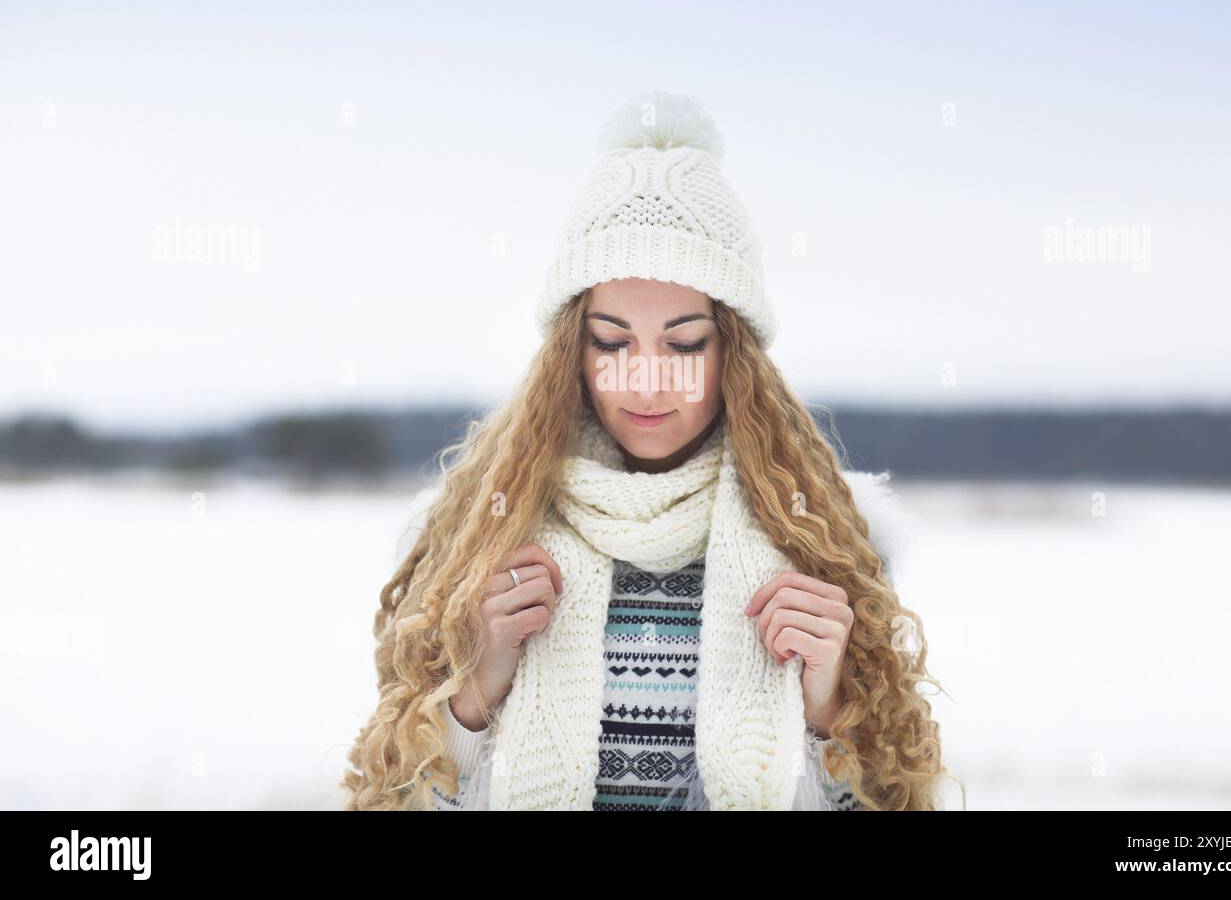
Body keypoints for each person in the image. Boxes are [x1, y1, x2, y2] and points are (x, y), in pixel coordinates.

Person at [342, 91, 962, 811]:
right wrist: (471, 698)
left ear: (735, 349)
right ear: (570, 350)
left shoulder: (820, 537)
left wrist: (830, 716)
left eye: (684, 342)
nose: (645, 377)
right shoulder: (473, 537)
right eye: (611, 340)